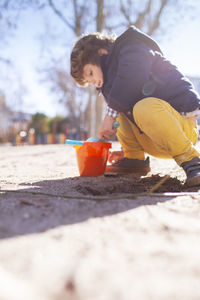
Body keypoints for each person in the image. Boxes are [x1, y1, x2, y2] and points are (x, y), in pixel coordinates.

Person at [70, 26, 200, 187]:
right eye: (89, 82)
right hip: (157, 141)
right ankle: (134, 159)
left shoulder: (132, 47)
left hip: (182, 130)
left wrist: (109, 116)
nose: (94, 82)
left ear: (101, 53)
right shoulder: (111, 86)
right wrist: (121, 138)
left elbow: (132, 78)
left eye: (90, 73)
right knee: (122, 109)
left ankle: (192, 161)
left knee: (140, 106)